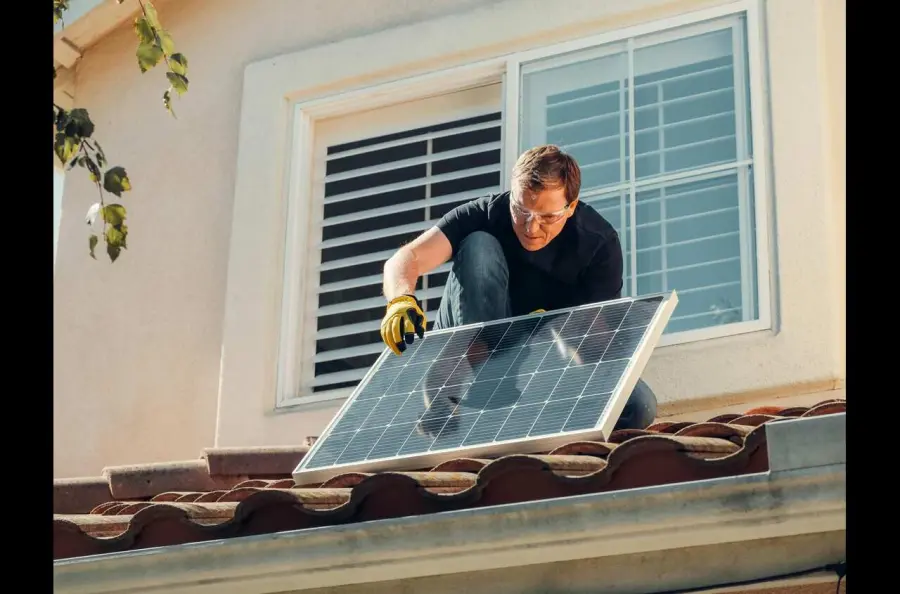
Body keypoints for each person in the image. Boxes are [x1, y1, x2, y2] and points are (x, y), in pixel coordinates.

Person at [379, 144, 657, 431]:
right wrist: (400, 300)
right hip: (477, 348)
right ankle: (471, 380)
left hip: (545, 361)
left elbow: (600, 347)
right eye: (520, 210)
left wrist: (553, 338)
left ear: (571, 207)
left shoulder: (597, 245)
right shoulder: (486, 214)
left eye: (547, 217)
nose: (530, 227)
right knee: (479, 245)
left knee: (635, 406)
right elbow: (406, 258)